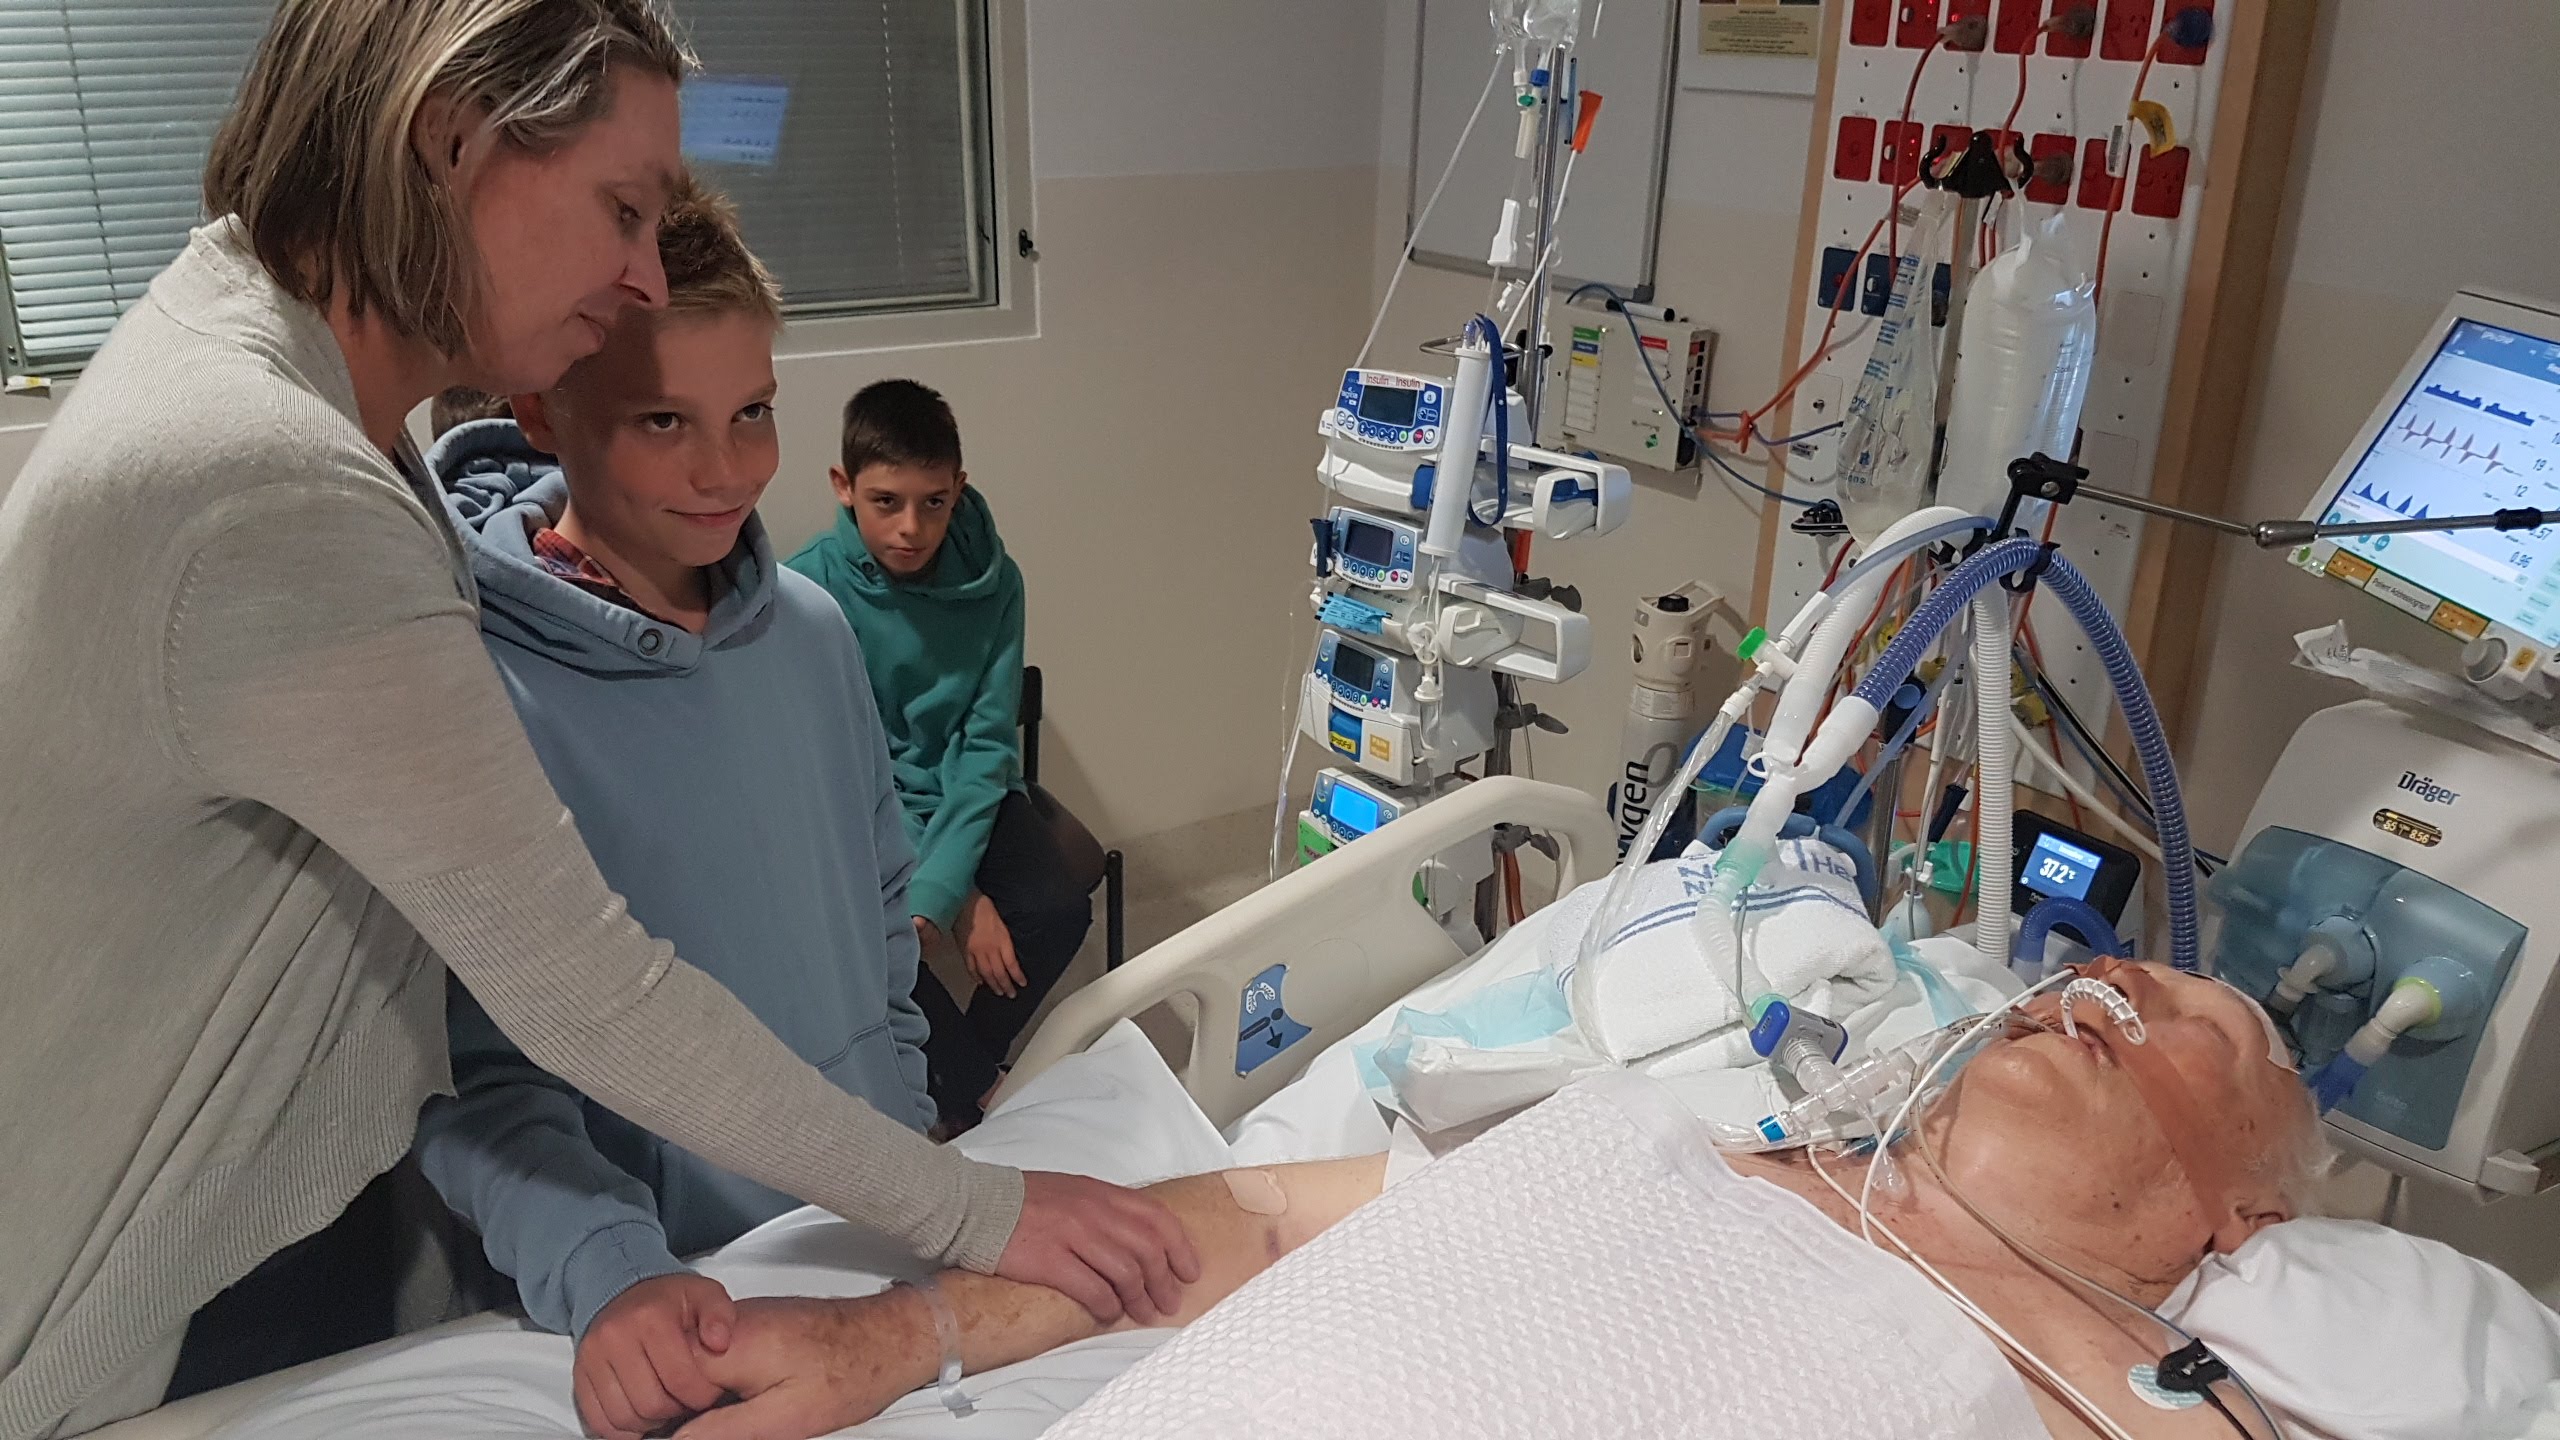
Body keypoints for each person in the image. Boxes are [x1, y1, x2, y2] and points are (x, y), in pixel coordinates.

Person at [0, 4, 1187, 1435]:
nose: (642, 273)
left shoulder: (280, 388)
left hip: (315, 1204)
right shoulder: (271, 486)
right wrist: (975, 1208)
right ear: (451, 140)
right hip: (114, 1281)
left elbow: (869, 933)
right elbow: (580, 999)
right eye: (621, 209)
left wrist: (918, 1143)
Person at [661, 961, 2326, 1440]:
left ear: (2239, 1217)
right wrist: (891, 1341)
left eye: (2205, 1020)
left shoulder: (2134, 1405)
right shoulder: (1658, 1140)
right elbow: (1249, 1217)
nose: (2114, 988)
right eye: (2105, 975)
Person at [412, 185, 946, 1440]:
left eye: (753, 412)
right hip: (671, 1288)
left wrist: (908, 1133)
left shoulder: (812, 635)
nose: (727, 471)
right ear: (539, 409)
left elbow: (879, 918)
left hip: (869, 1225)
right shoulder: (475, 692)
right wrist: (612, 1269)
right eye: (665, 421)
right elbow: (469, 1076)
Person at [787, 381, 1092, 1129]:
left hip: (968, 790)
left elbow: (986, 743)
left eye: (933, 501)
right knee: (878, 940)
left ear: (959, 487)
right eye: (885, 501)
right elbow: (847, 763)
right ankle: (978, 1090)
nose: (910, 528)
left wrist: (949, 885)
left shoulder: (997, 581)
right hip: (865, 803)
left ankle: (962, 1077)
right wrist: (955, 899)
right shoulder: (805, 591)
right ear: (843, 487)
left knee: (1057, 911)